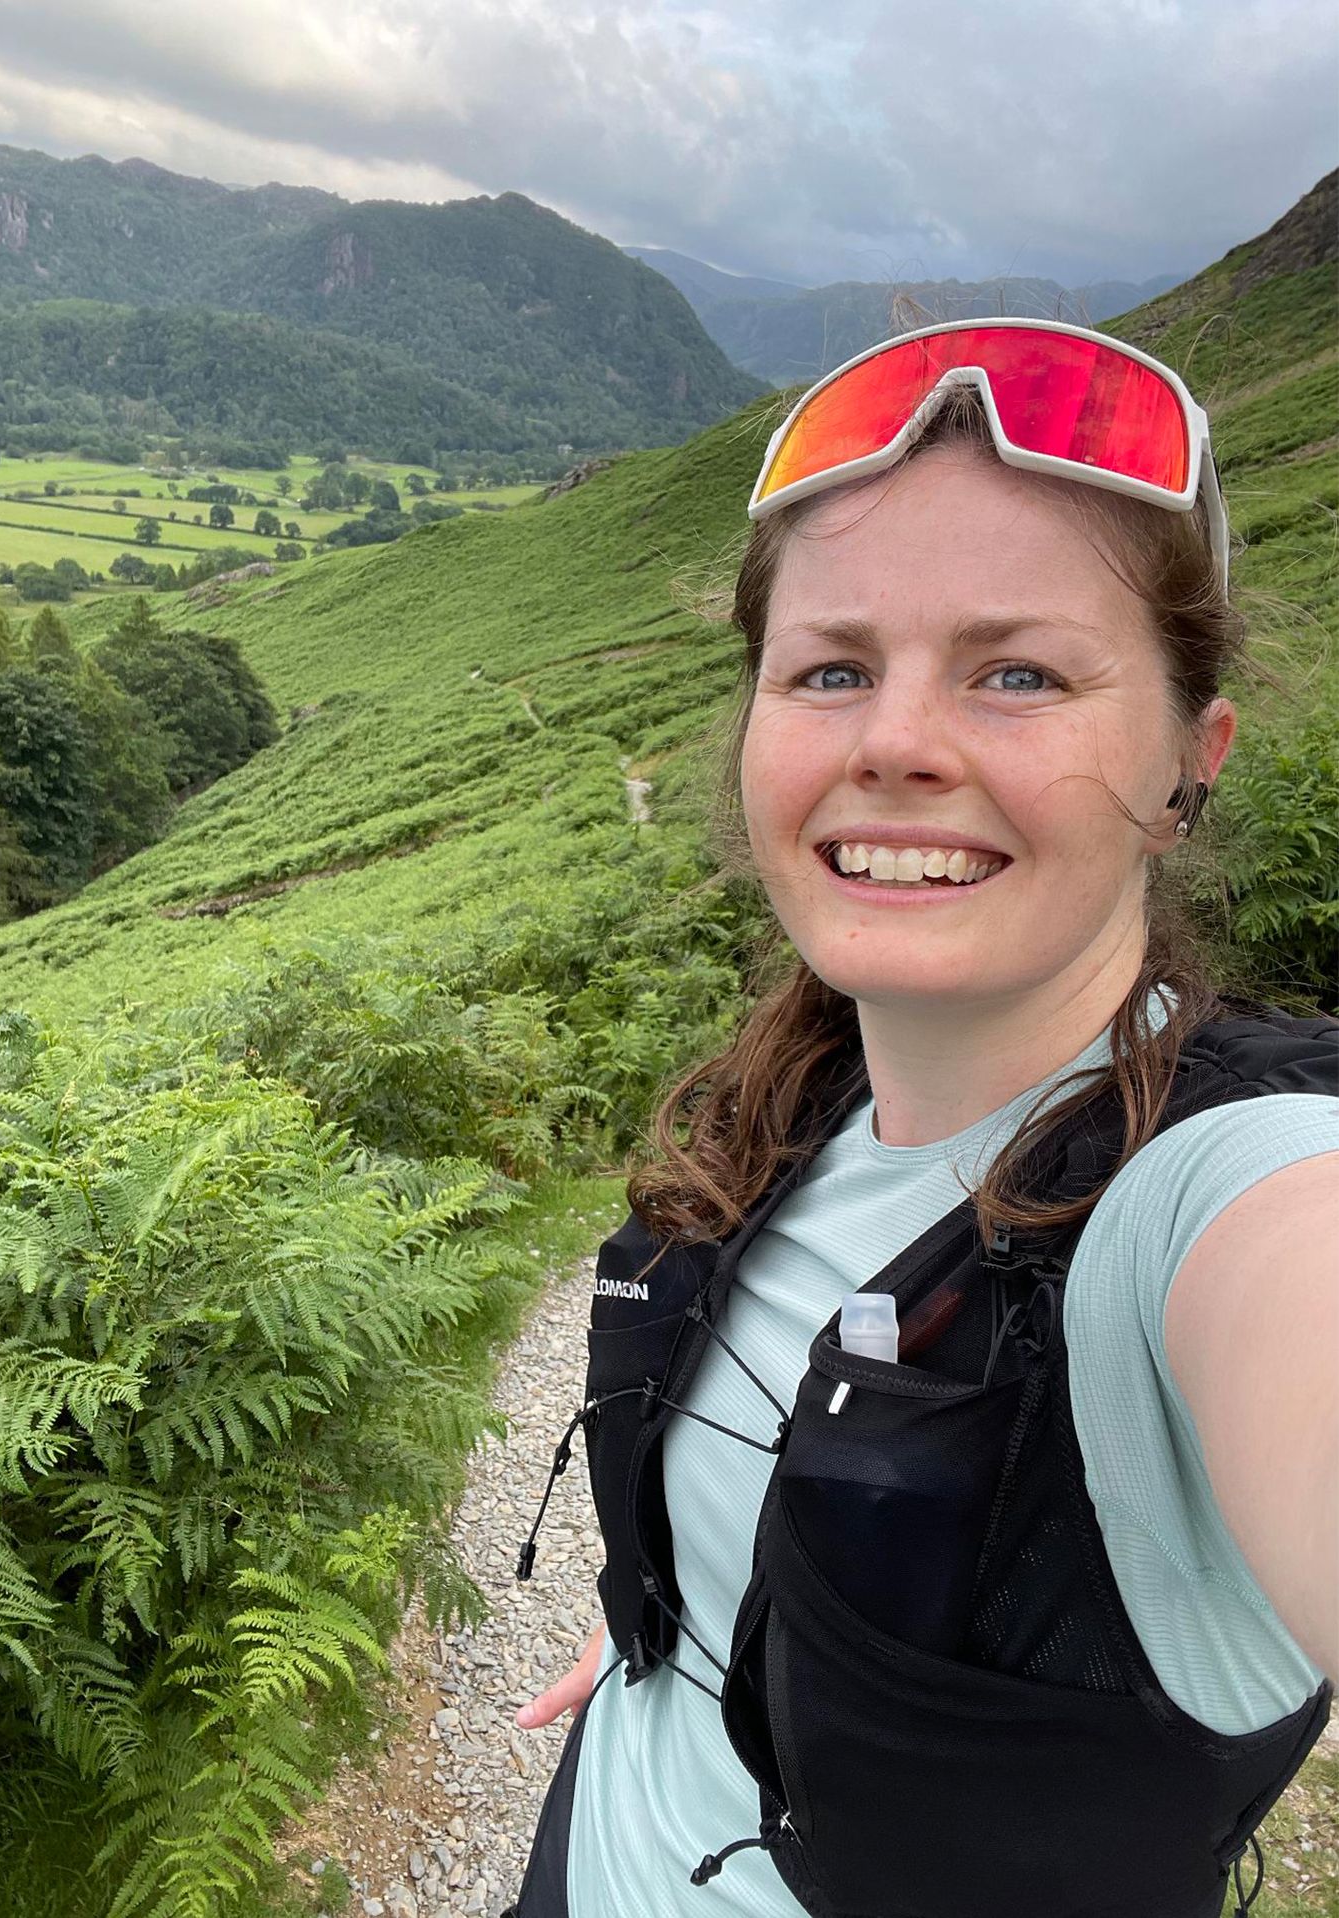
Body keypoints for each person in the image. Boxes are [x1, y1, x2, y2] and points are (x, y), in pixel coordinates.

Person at [501, 320, 1338, 1918]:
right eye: (828, 668)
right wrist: (678, 1600)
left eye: (1014, 670)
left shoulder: (1213, 1195)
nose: (890, 742)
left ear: (1187, 762)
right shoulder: (793, 1092)